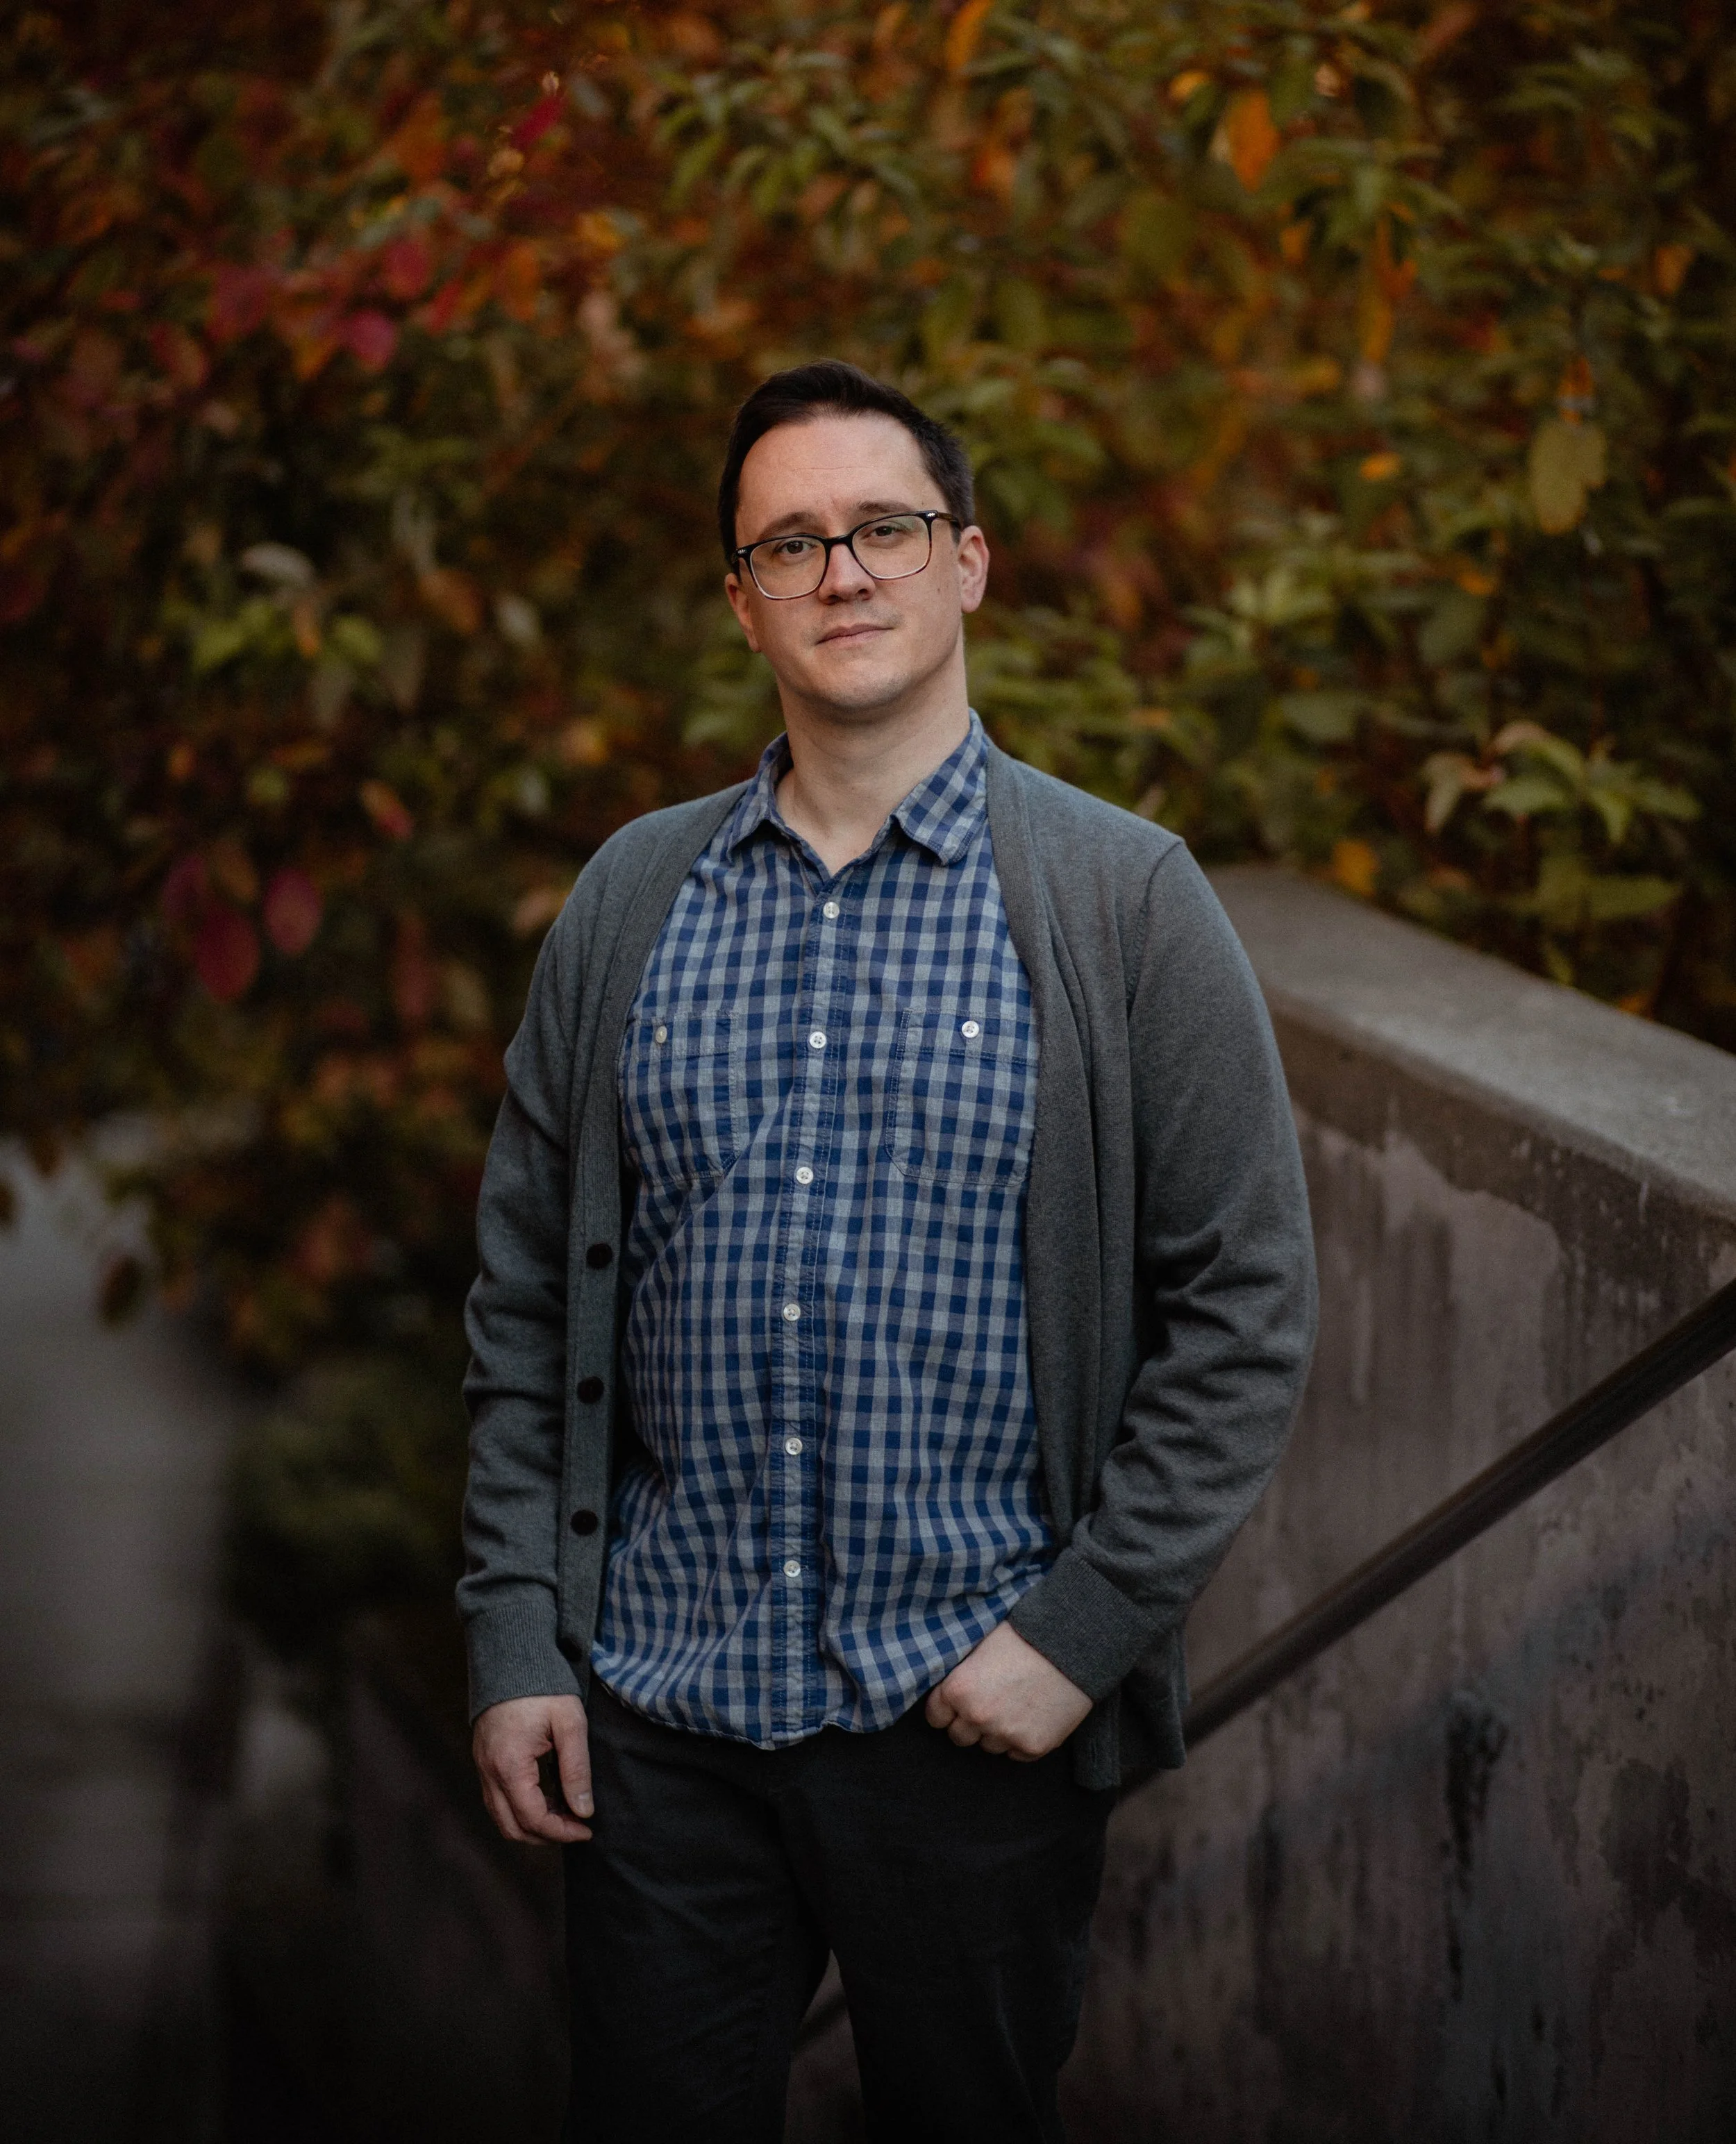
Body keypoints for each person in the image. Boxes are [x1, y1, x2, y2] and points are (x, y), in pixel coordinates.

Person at [460, 360, 1317, 2142]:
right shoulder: (631, 901)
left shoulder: (1120, 899)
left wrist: (1074, 1633)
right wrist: (518, 1633)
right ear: (741, 599)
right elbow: (530, 1297)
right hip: (663, 1713)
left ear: (969, 562)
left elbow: (1244, 1305)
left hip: (963, 1720)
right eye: (792, 540)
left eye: (884, 528)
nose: (842, 571)